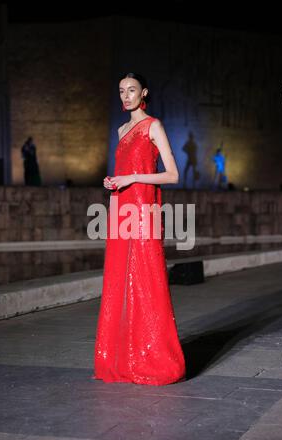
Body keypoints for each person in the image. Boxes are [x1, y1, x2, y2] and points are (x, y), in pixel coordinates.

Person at [92, 72, 186, 385]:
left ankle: (155, 357)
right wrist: (115, 181)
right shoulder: (121, 130)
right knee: (120, 279)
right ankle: (125, 358)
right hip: (120, 208)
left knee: (147, 277)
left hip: (143, 211)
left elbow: (172, 175)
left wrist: (132, 178)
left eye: (132, 90)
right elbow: (126, 170)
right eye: (121, 91)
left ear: (143, 92)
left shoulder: (153, 126)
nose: (126, 96)